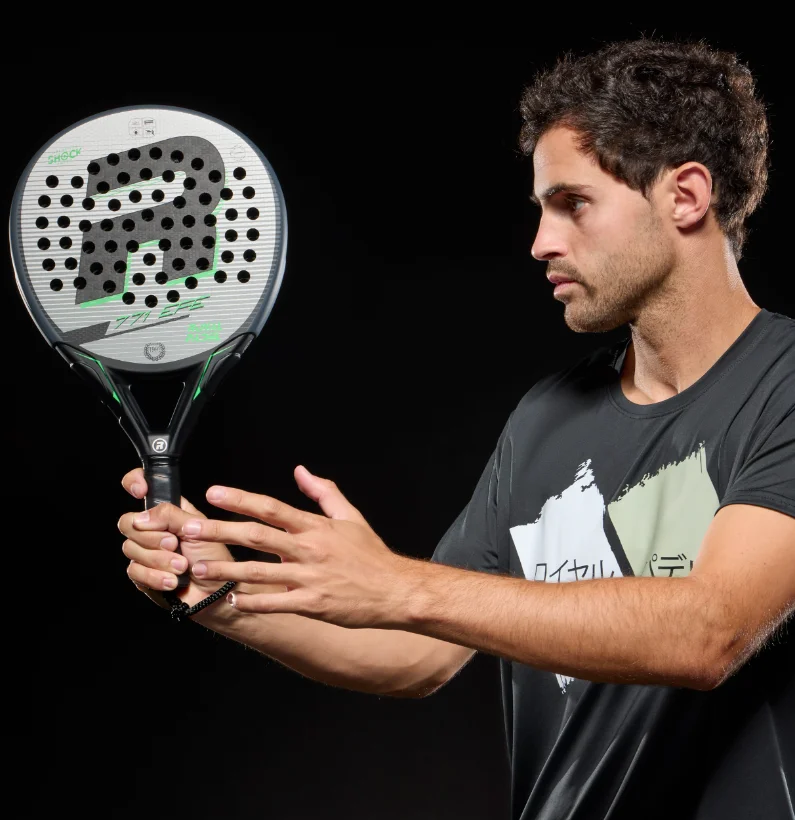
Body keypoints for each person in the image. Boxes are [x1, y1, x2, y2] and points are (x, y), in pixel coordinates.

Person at [117, 38, 795, 820]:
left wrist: (399, 583)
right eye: (539, 208)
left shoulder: (781, 384)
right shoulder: (546, 417)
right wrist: (221, 596)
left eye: (572, 204)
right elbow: (418, 651)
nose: (540, 242)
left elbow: (708, 632)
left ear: (685, 196)